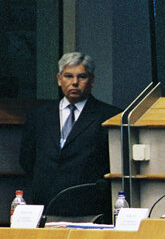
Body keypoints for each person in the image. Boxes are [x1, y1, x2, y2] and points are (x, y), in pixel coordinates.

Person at [19, 52, 121, 216]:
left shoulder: (109, 116)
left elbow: (112, 164)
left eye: (81, 77)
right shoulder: (38, 115)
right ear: (59, 79)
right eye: (68, 76)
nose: (75, 83)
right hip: (45, 204)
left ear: (92, 80)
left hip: (89, 207)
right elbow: (27, 159)